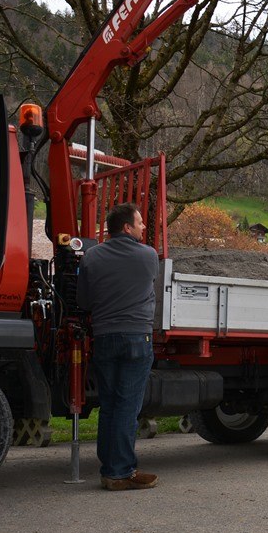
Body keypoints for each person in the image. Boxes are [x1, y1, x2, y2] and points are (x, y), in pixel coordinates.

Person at [77, 203, 160, 491]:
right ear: (127, 227)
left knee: (110, 405)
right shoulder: (148, 255)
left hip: (104, 338)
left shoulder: (91, 256)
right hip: (137, 337)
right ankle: (121, 472)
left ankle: (110, 469)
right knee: (127, 406)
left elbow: (84, 301)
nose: (143, 227)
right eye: (140, 222)